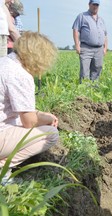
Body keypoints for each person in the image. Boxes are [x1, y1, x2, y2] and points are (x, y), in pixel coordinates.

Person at [0, 31, 59, 184]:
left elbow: (15, 108)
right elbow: (29, 122)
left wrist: (39, 113)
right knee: (51, 134)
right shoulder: (20, 74)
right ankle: (3, 168)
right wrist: (46, 118)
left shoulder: (5, 63)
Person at [72, 0, 108, 84]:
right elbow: (76, 30)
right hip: (86, 47)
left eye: (97, 5)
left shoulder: (101, 20)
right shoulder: (82, 16)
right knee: (85, 70)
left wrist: (105, 48)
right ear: (89, 4)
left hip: (99, 49)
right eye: (94, 4)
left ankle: (94, 88)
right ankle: (84, 91)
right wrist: (77, 45)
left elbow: (105, 34)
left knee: (97, 68)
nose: (95, 6)